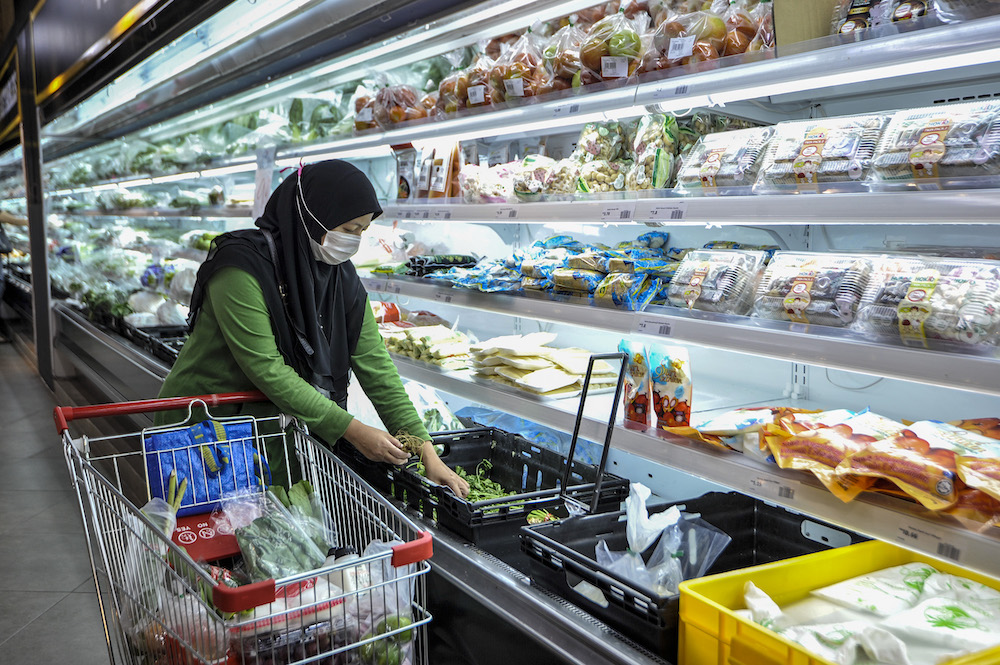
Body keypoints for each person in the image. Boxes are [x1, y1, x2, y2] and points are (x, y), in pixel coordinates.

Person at [157, 160, 469, 498]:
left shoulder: (341, 278)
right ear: (313, 214)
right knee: (200, 537)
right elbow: (267, 368)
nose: (354, 242)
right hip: (206, 427)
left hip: (269, 431)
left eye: (363, 231)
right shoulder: (241, 268)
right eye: (349, 229)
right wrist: (352, 430)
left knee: (264, 540)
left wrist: (426, 452)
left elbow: (375, 363)